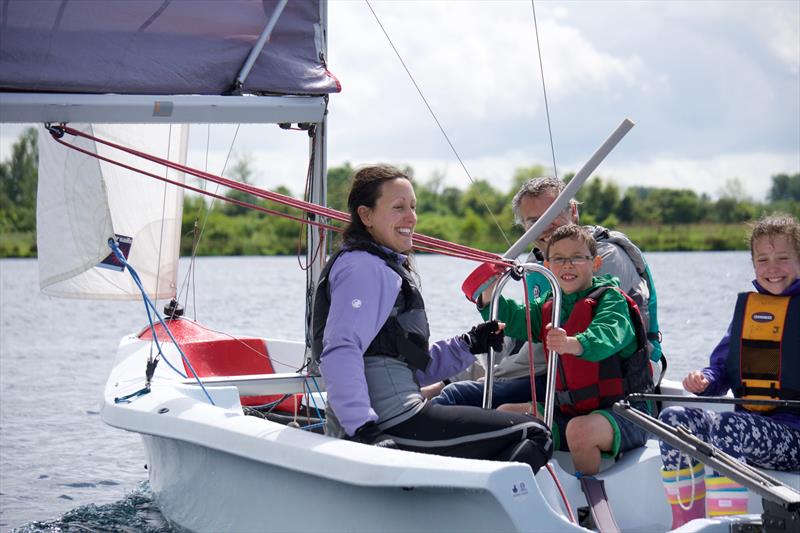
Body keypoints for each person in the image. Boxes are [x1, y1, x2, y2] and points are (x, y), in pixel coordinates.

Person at [311, 164, 553, 473]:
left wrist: (468, 344)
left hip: (399, 415)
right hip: (392, 423)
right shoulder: (364, 269)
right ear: (366, 215)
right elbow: (341, 349)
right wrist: (364, 430)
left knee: (518, 432)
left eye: (412, 207)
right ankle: (476, 515)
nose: (410, 217)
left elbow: (407, 364)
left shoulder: (376, 266)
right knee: (536, 433)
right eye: (398, 208)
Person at [429, 176, 661, 408]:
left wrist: (497, 377)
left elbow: (583, 335)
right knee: (480, 354)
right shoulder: (538, 263)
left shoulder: (604, 257)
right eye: (535, 222)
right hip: (555, 364)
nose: (546, 227)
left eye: (552, 215)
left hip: (614, 371)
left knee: (461, 394)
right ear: (525, 229)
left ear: (572, 211)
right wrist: (489, 299)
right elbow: (526, 326)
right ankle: (425, 394)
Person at [658, 213, 800, 529]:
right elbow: (721, 369)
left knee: (726, 426)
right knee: (673, 420)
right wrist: (705, 380)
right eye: (762, 260)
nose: (772, 268)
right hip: (749, 428)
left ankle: (725, 524)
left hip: (794, 436)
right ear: (753, 265)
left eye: (783, 258)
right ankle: (687, 522)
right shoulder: (750, 312)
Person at [475, 224, 654, 475]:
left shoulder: (612, 300)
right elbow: (515, 319)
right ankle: (518, 490)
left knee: (579, 431)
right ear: (547, 266)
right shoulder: (550, 304)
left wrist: (573, 343)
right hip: (569, 412)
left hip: (628, 414)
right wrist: (488, 296)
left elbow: (609, 334)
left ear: (596, 263)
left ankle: (587, 506)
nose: (567, 265)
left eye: (577, 257)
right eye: (558, 259)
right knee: (506, 417)